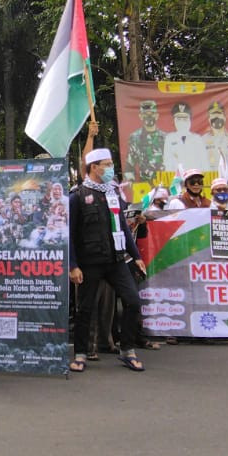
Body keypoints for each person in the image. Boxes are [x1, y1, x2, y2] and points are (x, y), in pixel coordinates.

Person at [68, 146, 146, 373]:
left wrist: (137, 256)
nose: (111, 169)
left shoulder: (114, 194)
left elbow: (122, 225)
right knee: (86, 309)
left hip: (116, 261)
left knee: (132, 302)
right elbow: (70, 234)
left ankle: (127, 350)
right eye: (108, 165)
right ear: (95, 167)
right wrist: (72, 265)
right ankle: (80, 353)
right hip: (90, 262)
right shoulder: (77, 196)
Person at [199, 100, 228, 174]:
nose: (216, 116)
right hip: (210, 182)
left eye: (219, 113)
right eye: (213, 114)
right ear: (209, 119)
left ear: (224, 117)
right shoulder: (202, 141)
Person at [126, 100, 166, 186]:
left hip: (164, 185)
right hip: (145, 185)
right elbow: (130, 164)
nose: (149, 116)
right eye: (145, 114)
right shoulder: (135, 137)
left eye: (152, 113)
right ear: (140, 116)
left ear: (157, 115)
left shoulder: (165, 138)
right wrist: (130, 182)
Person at [163, 102, 206, 174]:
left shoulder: (197, 139)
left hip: (194, 179)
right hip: (176, 179)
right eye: (179, 119)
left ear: (190, 120)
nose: (182, 122)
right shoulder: (169, 139)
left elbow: (204, 163)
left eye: (185, 119)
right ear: (174, 121)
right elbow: (167, 163)